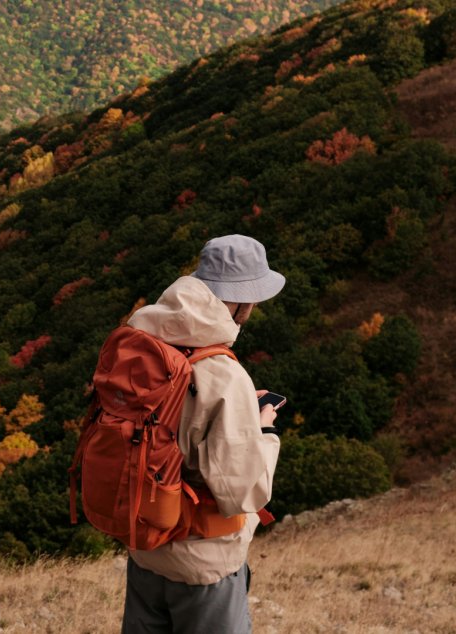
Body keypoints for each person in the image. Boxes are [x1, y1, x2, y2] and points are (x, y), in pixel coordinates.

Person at [120, 234, 285, 634]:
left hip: (144, 546)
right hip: (203, 565)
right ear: (243, 301)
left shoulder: (145, 343)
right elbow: (243, 492)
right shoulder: (225, 376)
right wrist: (262, 429)